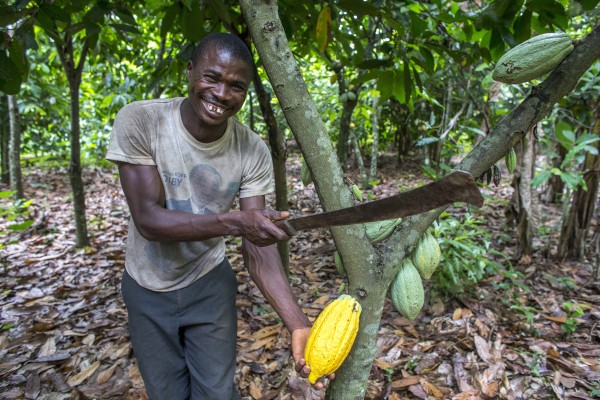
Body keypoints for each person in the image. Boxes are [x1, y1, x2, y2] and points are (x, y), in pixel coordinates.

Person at [106, 32, 327, 399]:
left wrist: (297, 324)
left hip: (209, 283)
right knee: (167, 393)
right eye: (211, 77)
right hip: (146, 286)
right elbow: (148, 221)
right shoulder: (141, 121)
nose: (222, 94)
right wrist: (236, 222)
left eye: (236, 86)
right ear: (190, 71)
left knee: (218, 393)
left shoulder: (251, 150)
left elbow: (258, 247)